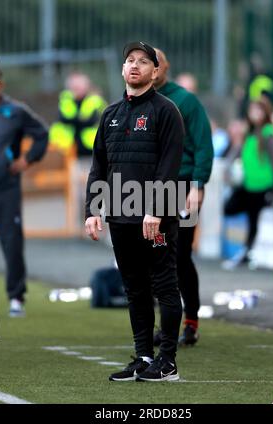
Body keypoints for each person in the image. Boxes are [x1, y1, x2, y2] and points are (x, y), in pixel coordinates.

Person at [85, 41, 184, 382]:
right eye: (130, 60)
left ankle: (167, 360)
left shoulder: (166, 110)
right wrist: (92, 209)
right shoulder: (110, 115)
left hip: (155, 218)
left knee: (165, 285)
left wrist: (155, 209)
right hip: (120, 216)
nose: (136, 65)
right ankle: (143, 356)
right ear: (122, 69)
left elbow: (170, 165)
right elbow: (99, 165)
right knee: (134, 287)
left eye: (144, 61)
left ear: (155, 72)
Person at [153, 49, 213, 346]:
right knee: (155, 256)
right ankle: (165, 324)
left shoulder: (186, 101)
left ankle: (190, 321)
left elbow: (203, 145)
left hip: (183, 185)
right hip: (151, 189)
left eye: (155, 61)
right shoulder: (136, 101)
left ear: (165, 66)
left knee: (181, 255)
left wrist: (198, 185)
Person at [0, 71, 48, 316]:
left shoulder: (15, 111)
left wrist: (26, 160)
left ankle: (16, 298)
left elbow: (41, 134)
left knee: (12, 242)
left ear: (0, 84)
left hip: (6, 188)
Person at [222, 100, 273, 270]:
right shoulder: (249, 133)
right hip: (247, 185)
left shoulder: (268, 133)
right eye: (252, 110)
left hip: (262, 185)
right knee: (229, 208)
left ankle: (248, 252)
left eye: (258, 111)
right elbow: (237, 151)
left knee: (254, 220)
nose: (254, 114)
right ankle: (247, 250)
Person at [49, 72, 107, 230]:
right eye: (73, 85)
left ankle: (100, 224)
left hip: (94, 154)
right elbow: (64, 120)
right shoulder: (65, 101)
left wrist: (76, 121)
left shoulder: (95, 101)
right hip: (73, 155)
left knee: (96, 190)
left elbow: (90, 120)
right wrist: (79, 121)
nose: (76, 88)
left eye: (79, 85)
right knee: (78, 194)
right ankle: (80, 227)